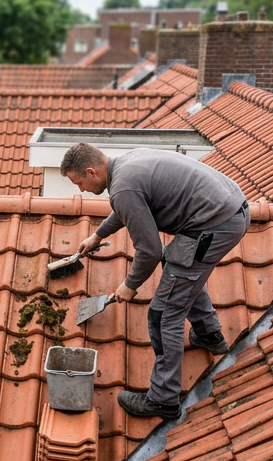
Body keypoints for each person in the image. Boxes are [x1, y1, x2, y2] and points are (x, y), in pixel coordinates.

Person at [62, 143, 250, 421]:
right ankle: (209, 335)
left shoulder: (123, 187)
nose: (81, 190)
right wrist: (98, 236)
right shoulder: (125, 164)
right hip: (230, 208)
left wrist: (130, 285)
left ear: (91, 171)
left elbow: (148, 249)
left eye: (80, 183)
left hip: (215, 224)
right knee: (178, 268)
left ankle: (163, 400)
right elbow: (128, 207)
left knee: (163, 314)